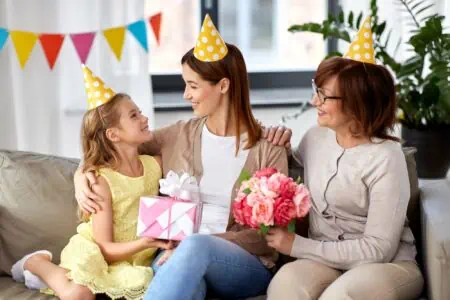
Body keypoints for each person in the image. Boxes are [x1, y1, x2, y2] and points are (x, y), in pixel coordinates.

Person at [75, 15, 291, 300]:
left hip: (242, 265)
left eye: (193, 85)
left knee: (195, 248)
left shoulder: (269, 148)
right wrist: (82, 173)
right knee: (191, 283)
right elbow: (109, 145)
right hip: (175, 257)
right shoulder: (177, 135)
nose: (185, 94)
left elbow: (269, 235)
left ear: (223, 86)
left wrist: (193, 244)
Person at [265, 17, 424, 300]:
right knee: (284, 286)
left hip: (386, 265)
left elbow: (378, 249)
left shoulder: (387, 158)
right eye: (317, 91)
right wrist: (280, 144)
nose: (315, 102)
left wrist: (297, 246)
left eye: (324, 96)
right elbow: (290, 169)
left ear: (357, 101)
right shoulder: (315, 138)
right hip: (325, 261)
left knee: (339, 298)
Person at [11, 66, 173, 300]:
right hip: (97, 253)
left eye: (140, 112)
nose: (145, 118)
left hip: (132, 260)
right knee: (79, 294)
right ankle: (36, 263)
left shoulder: (155, 165)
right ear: (113, 135)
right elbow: (104, 248)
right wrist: (144, 242)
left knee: (142, 281)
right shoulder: (101, 182)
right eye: (134, 115)